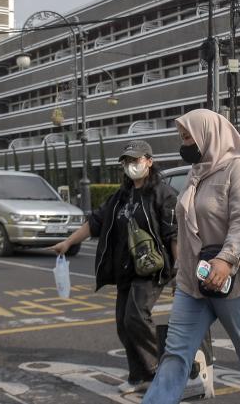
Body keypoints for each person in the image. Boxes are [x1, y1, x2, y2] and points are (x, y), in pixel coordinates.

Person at [142, 108, 240, 404]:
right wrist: (181, 275)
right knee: (175, 354)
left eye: (188, 136)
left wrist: (226, 259)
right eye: (182, 137)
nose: (185, 143)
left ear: (208, 134)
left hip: (236, 279)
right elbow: (186, 230)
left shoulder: (237, 168)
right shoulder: (196, 173)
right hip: (195, 282)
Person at [51, 140, 177, 395]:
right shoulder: (120, 197)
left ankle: (156, 373)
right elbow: (95, 222)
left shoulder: (163, 194)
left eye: (135, 160)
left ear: (149, 162)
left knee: (136, 316)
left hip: (152, 269)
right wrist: (67, 242)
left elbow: (174, 234)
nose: (131, 166)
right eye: (127, 161)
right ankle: (137, 376)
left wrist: (180, 273)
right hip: (124, 269)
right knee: (123, 322)